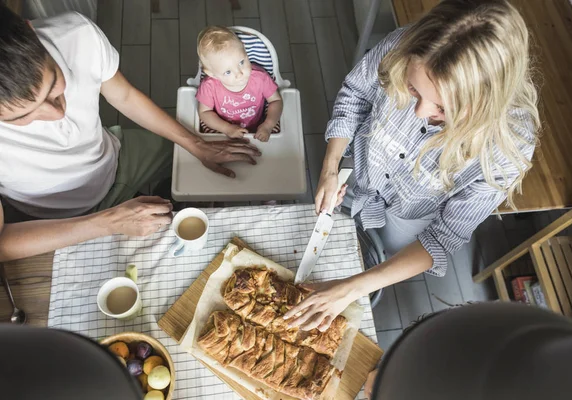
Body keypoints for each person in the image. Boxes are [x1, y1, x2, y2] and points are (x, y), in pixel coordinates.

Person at [284, 0, 540, 335]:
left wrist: (353, 287)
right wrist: (331, 167)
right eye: (413, 89)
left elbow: (442, 236)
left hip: (407, 218)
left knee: (384, 252)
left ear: (485, 105)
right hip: (358, 174)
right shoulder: (404, 44)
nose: (419, 113)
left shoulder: (509, 146)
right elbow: (355, 96)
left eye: (442, 109)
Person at [0, 6, 261, 261]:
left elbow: (124, 96)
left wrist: (196, 145)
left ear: (30, 30)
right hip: (56, 223)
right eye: (22, 116)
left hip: (117, 158)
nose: (57, 113)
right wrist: (109, 222)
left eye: (53, 86)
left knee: (197, 154)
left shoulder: (76, 34)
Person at [196, 26, 283, 142]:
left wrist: (268, 124)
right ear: (212, 74)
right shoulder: (209, 86)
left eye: (241, 62)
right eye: (228, 72)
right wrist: (226, 128)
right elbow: (204, 113)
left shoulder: (260, 78)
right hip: (223, 129)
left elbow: (276, 101)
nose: (239, 73)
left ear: (244, 50)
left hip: (259, 126)